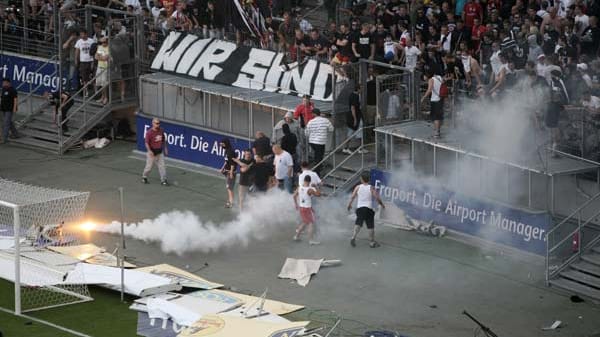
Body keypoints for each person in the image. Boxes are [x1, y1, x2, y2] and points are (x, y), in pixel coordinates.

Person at [347, 172, 385, 248]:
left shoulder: (358, 187)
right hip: (368, 209)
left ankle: (353, 237)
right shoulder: (371, 187)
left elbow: (353, 196)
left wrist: (349, 204)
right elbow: (377, 198)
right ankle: (372, 242)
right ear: (369, 179)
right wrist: (382, 205)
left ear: (362, 179)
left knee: (358, 223)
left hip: (360, 208)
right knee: (370, 226)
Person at [293, 175, 321, 245]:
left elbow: (294, 195)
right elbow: (319, 194)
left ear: (304, 180)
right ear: (309, 181)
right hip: (307, 208)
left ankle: (296, 236)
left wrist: (296, 204)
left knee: (305, 222)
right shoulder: (309, 189)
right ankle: (311, 240)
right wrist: (316, 187)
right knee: (311, 223)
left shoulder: (299, 187)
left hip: (301, 207)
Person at [305, 108, 334, 174]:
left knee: (317, 155)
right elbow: (331, 129)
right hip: (321, 142)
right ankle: (317, 171)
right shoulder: (325, 120)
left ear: (314, 114)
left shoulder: (310, 121)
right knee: (319, 156)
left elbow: (306, 133)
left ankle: (318, 167)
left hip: (312, 142)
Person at [142, 118, 169, 185]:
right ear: (153, 123)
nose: (158, 125)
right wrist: (149, 151)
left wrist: (165, 148)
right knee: (149, 167)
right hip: (152, 153)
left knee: (162, 166)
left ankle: (163, 180)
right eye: (157, 123)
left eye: (159, 123)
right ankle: (144, 176)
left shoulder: (161, 130)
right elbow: (146, 143)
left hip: (159, 152)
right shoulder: (149, 133)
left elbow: (164, 139)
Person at [420, 70, 445, 138]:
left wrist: (423, 98)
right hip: (441, 98)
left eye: (424, 76)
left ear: (426, 75)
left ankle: (436, 133)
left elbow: (429, 90)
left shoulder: (431, 80)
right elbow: (443, 83)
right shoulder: (439, 77)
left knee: (435, 117)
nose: (424, 78)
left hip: (435, 99)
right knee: (439, 116)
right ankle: (438, 131)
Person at [343, 83, 365, 154]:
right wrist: (355, 119)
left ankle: (358, 148)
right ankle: (355, 148)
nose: (362, 90)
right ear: (358, 89)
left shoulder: (355, 95)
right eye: (361, 88)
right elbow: (353, 108)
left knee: (355, 132)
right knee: (353, 132)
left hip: (356, 116)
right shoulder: (355, 96)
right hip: (355, 117)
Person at [74, 30, 95, 97]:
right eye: (81, 34)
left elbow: (94, 51)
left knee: (92, 77)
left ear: (86, 34)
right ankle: (86, 92)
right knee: (84, 78)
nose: (82, 36)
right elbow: (77, 51)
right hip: (83, 62)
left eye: (83, 34)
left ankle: (95, 92)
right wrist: (76, 60)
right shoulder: (79, 42)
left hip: (90, 61)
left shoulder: (91, 41)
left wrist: (93, 61)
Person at [220, 138, 238, 208]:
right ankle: (230, 200)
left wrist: (231, 173)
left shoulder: (230, 152)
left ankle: (231, 202)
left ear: (226, 144)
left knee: (229, 188)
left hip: (230, 172)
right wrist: (222, 168)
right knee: (229, 187)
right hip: (227, 171)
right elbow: (226, 161)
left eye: (223, 144)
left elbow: (232, 163)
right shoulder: (226, 151)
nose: (221, 145)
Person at [1, 78, 19, 143]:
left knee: (6, 124)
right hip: (3, 108)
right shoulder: (3, 89)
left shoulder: (13, 90)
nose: (3, 84)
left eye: (4, 83)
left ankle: (4, 138)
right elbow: (2, 98)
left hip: (9, 109)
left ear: (8, 83)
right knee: (9, 122)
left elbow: (15, 100)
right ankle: (16, 134)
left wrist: (14, 109)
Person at [94, 36, 110, 104]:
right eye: (101, 42)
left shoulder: (109, 48)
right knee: (100, 83)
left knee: (104, 84)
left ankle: (106, 97)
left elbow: (105, 58)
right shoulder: (100, 47)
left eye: (104, 42)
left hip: (106, 67)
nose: (103, 43)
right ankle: (102, 97)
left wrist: (100, 57)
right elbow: (95, 56)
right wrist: (101, 57)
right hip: (99, 66)